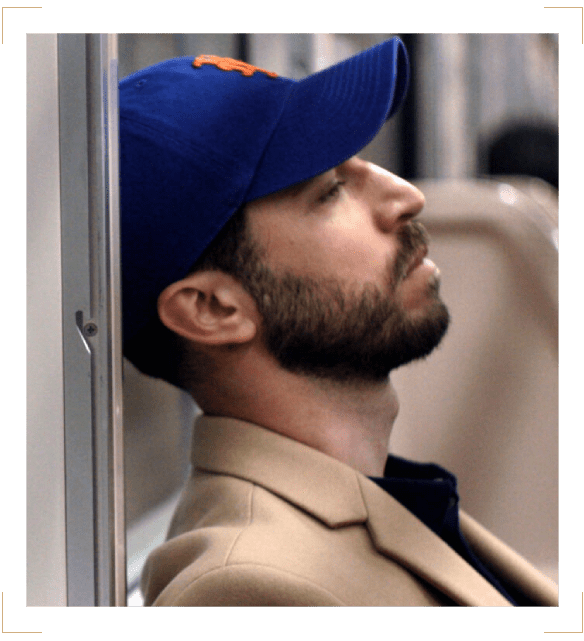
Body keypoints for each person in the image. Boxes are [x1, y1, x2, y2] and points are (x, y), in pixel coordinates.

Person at [120, 38, 558, 607]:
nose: (405, 195)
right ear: (213, 309)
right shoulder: (248, 591)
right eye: (329, 191)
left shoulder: (384, 496)